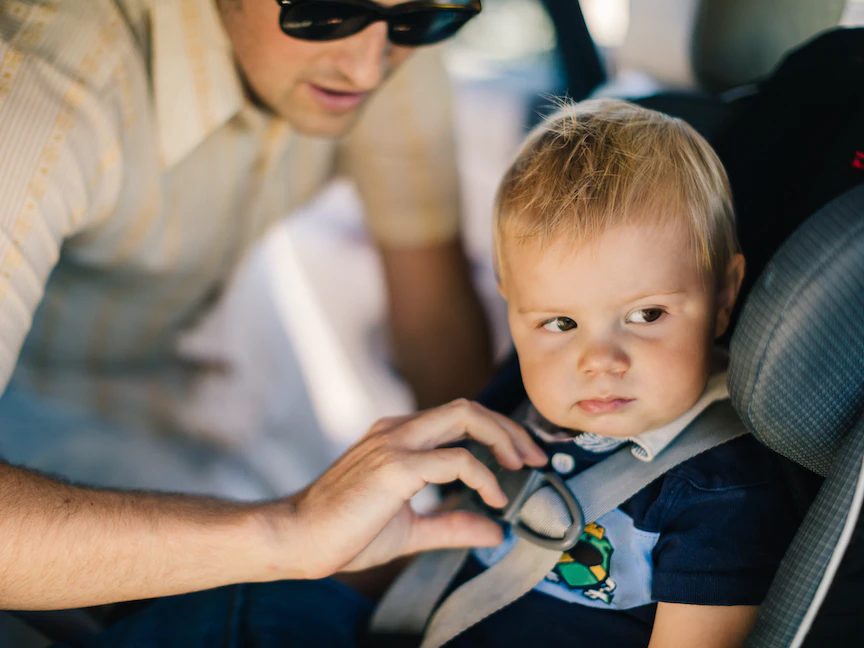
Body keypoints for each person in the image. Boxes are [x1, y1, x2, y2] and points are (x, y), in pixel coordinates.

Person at [250, 99, 801, 648]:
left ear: (724, 297)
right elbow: (433, 544)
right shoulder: (515, 403)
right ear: (511, 306)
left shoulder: (718, 493)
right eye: (561, 322)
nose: (600, 360)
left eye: (646, 315)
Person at [0, 0, 492, 497]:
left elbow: (435, 324)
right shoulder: (40, 88)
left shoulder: (391, 34)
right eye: (325, 12)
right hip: (40, 404)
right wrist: (286, 536)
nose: (367, 69)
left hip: (224, 341)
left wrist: (488, 499)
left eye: (421, 19)